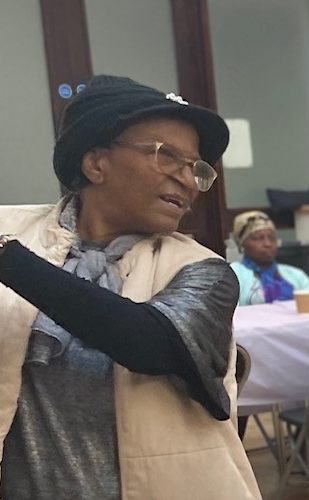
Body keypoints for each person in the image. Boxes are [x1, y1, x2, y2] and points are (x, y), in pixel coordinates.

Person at [0, 75, 260, 498]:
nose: (187, 180)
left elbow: (150, 342)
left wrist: (8, 261)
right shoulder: (13, 232)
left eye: (196, 168)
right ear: (95, 164)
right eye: (166, 155)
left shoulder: (203, 270)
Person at [229, 210, 309, 305]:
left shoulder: (296, 275)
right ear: (242, 244)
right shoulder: (233, 274)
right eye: (257, 238)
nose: (267, 244)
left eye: (272, 238)